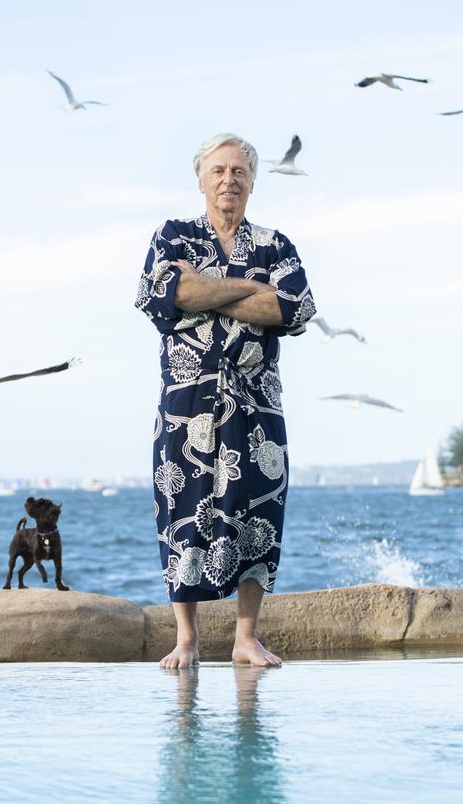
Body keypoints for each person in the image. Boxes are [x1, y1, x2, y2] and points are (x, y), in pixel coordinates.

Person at [135, 132, 315, 668]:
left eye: (239, 171)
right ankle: (186, 639)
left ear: (254, 181)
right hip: (185, 404)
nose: (228, 179)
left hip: (256, 404)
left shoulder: (276, 245)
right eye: (218, 170)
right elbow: (167, 295)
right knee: (182, 509)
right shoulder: (172, 237)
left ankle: (245, 638)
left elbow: (295, 310)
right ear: (200, 179)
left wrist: (212, 287)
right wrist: (249, 290)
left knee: (257, 510)